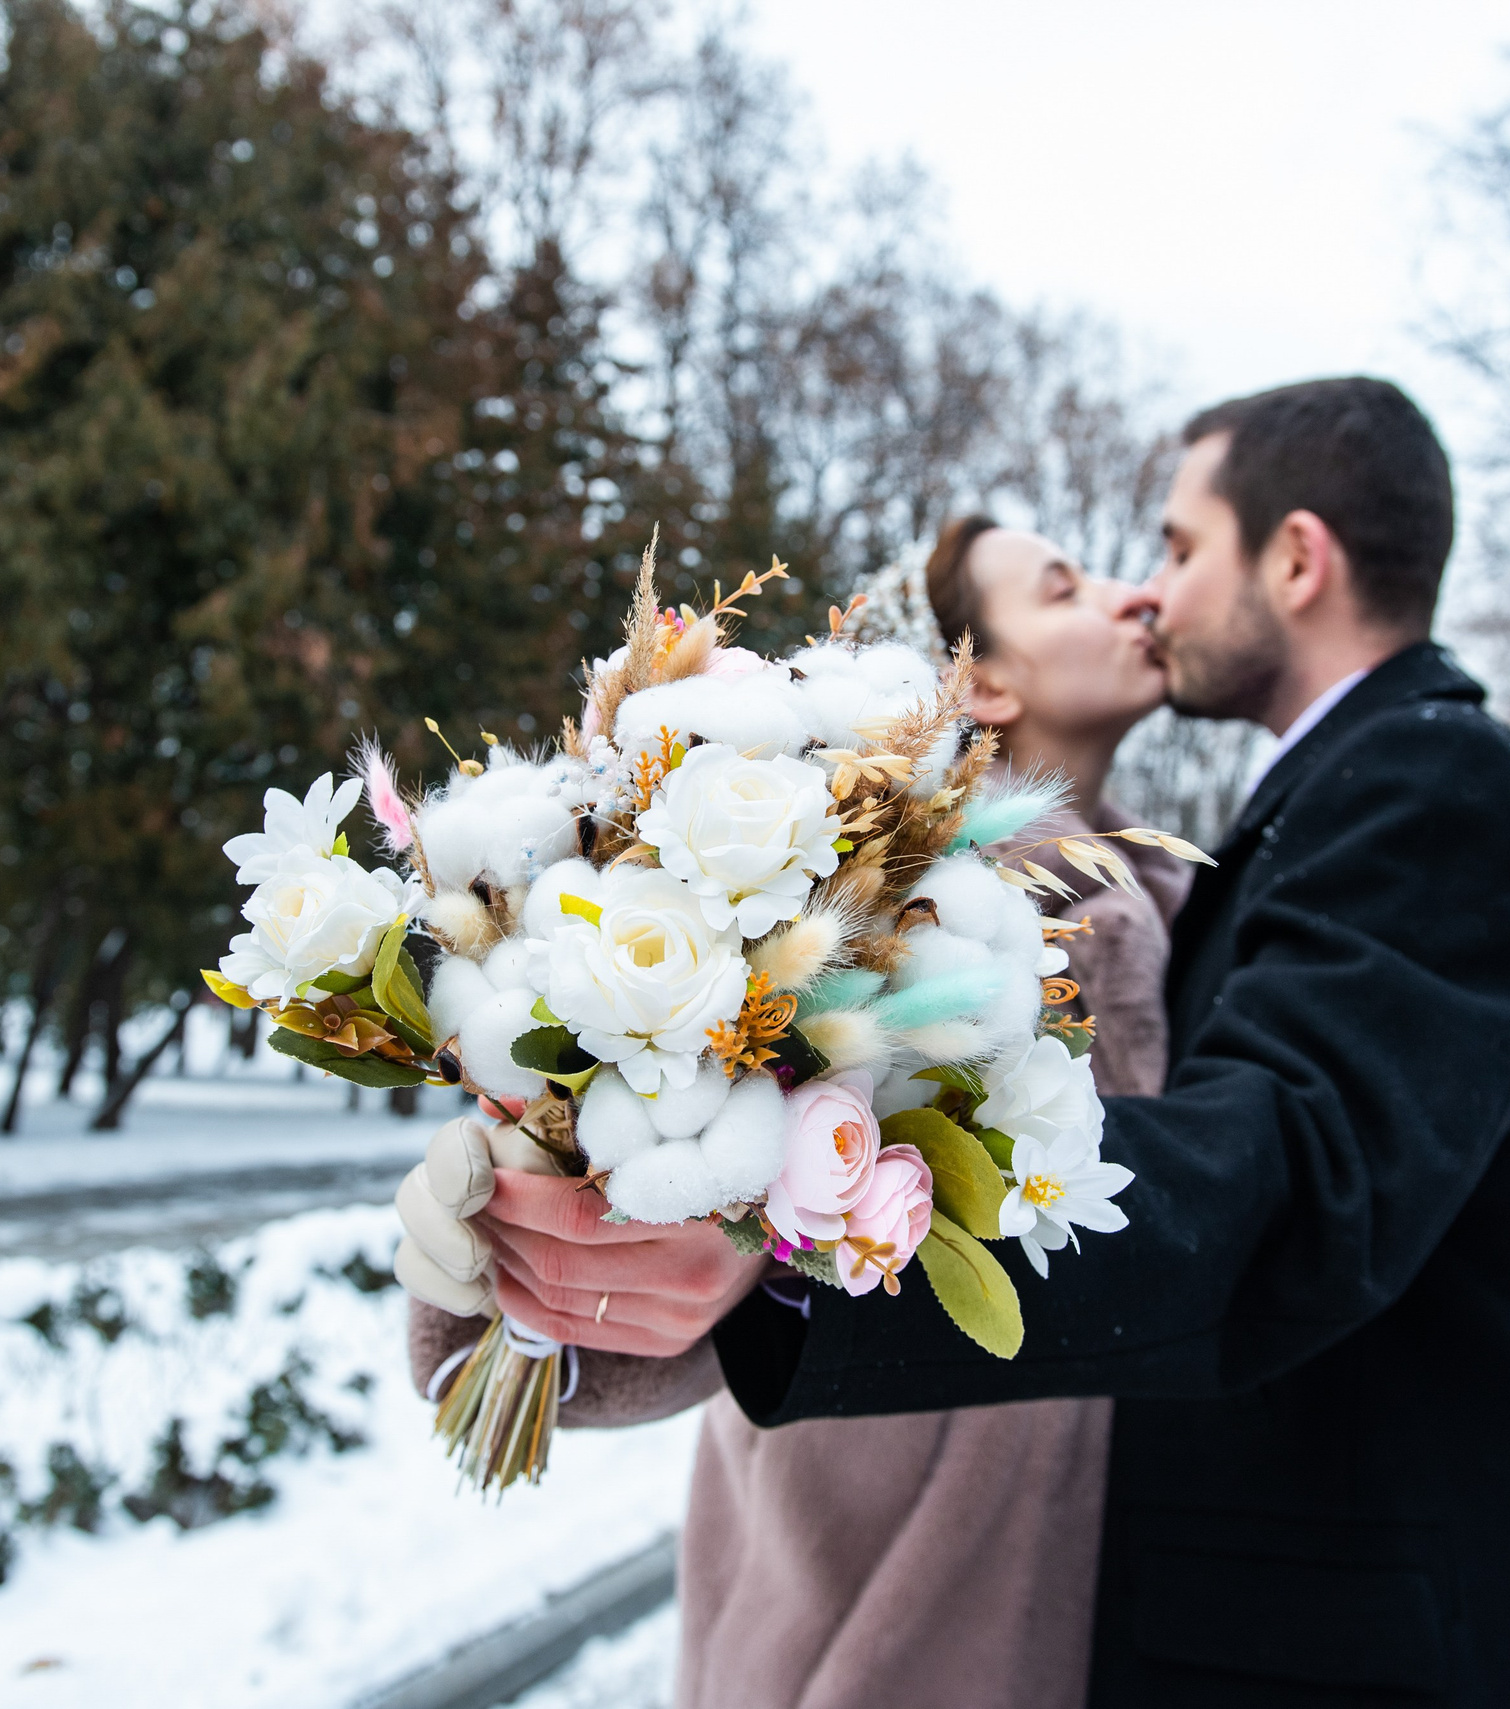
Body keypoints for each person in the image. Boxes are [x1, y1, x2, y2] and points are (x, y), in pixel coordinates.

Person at [426, 376, 1510, 1706]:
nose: (1149, 592)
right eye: (1095, 576)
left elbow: (1288, 1174)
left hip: (1417, 1638)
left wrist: (824, 1254)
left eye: (1178, 547)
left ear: (1297, 560)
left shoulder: (1423, 781)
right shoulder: (962, 889)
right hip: (944, 1594)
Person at [395, 519, 1189, 1709]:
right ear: (983, 682)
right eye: (1066, 587)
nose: (1134, 599)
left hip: (1075, 1561)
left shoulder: (1166, 896)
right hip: (861, 1552)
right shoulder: (884, 882)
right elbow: (702, 1205)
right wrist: (555, 1254)